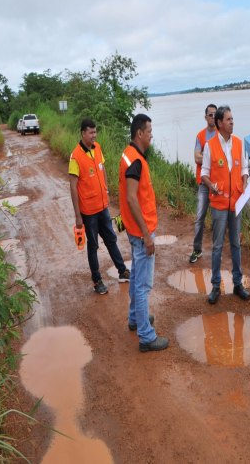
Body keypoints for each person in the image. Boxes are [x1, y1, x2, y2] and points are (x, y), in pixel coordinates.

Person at [119, 114, 169, 352]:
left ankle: (134, 318)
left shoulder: (131, 155)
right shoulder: (135, 161)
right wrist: (146, 235)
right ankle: (146, 337)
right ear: (139, 133)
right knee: (142, 285)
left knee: (137, 275)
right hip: (141, 232)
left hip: (135, 230)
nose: (151, 135)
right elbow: (131, 197)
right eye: (149, 131)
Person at [69, 118, 130, 295]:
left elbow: (101, 171)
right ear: (83, 133)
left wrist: (107, 192)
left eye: (95, 132)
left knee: (111, 238)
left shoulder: (98, 148)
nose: (94, 135)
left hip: (103, 206)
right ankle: (97, 281)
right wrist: (77, 216)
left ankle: (122, 271)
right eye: (90, 132)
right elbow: (73, 186)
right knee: (93, 246)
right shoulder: (75, 156)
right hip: (88, 211)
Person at [201, 105, 250, 304]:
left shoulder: (239, 143)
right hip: (219, 203)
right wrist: (210, 185)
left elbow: (244, 168)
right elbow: (204, 173)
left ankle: (238, 284)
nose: (232, 122)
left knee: (236, 244)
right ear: (220, 123)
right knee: (218, 246)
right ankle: (215, 286)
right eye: (229, 119)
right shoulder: (210, 145)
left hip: (236, 202)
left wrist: (245, 181)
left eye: (232, 119)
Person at [189, 104, 218, 263]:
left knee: (218, 219)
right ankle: (197, 249)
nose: (213, 117)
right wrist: (213, 158)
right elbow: (196, 157)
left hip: (217, 184)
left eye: (215, 114)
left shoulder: (221, 135)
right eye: (210, 114)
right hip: (203, 184)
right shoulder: (201, 136)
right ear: (205, 117)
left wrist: (205, 157)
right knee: (200, 217)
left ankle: (216, 252)